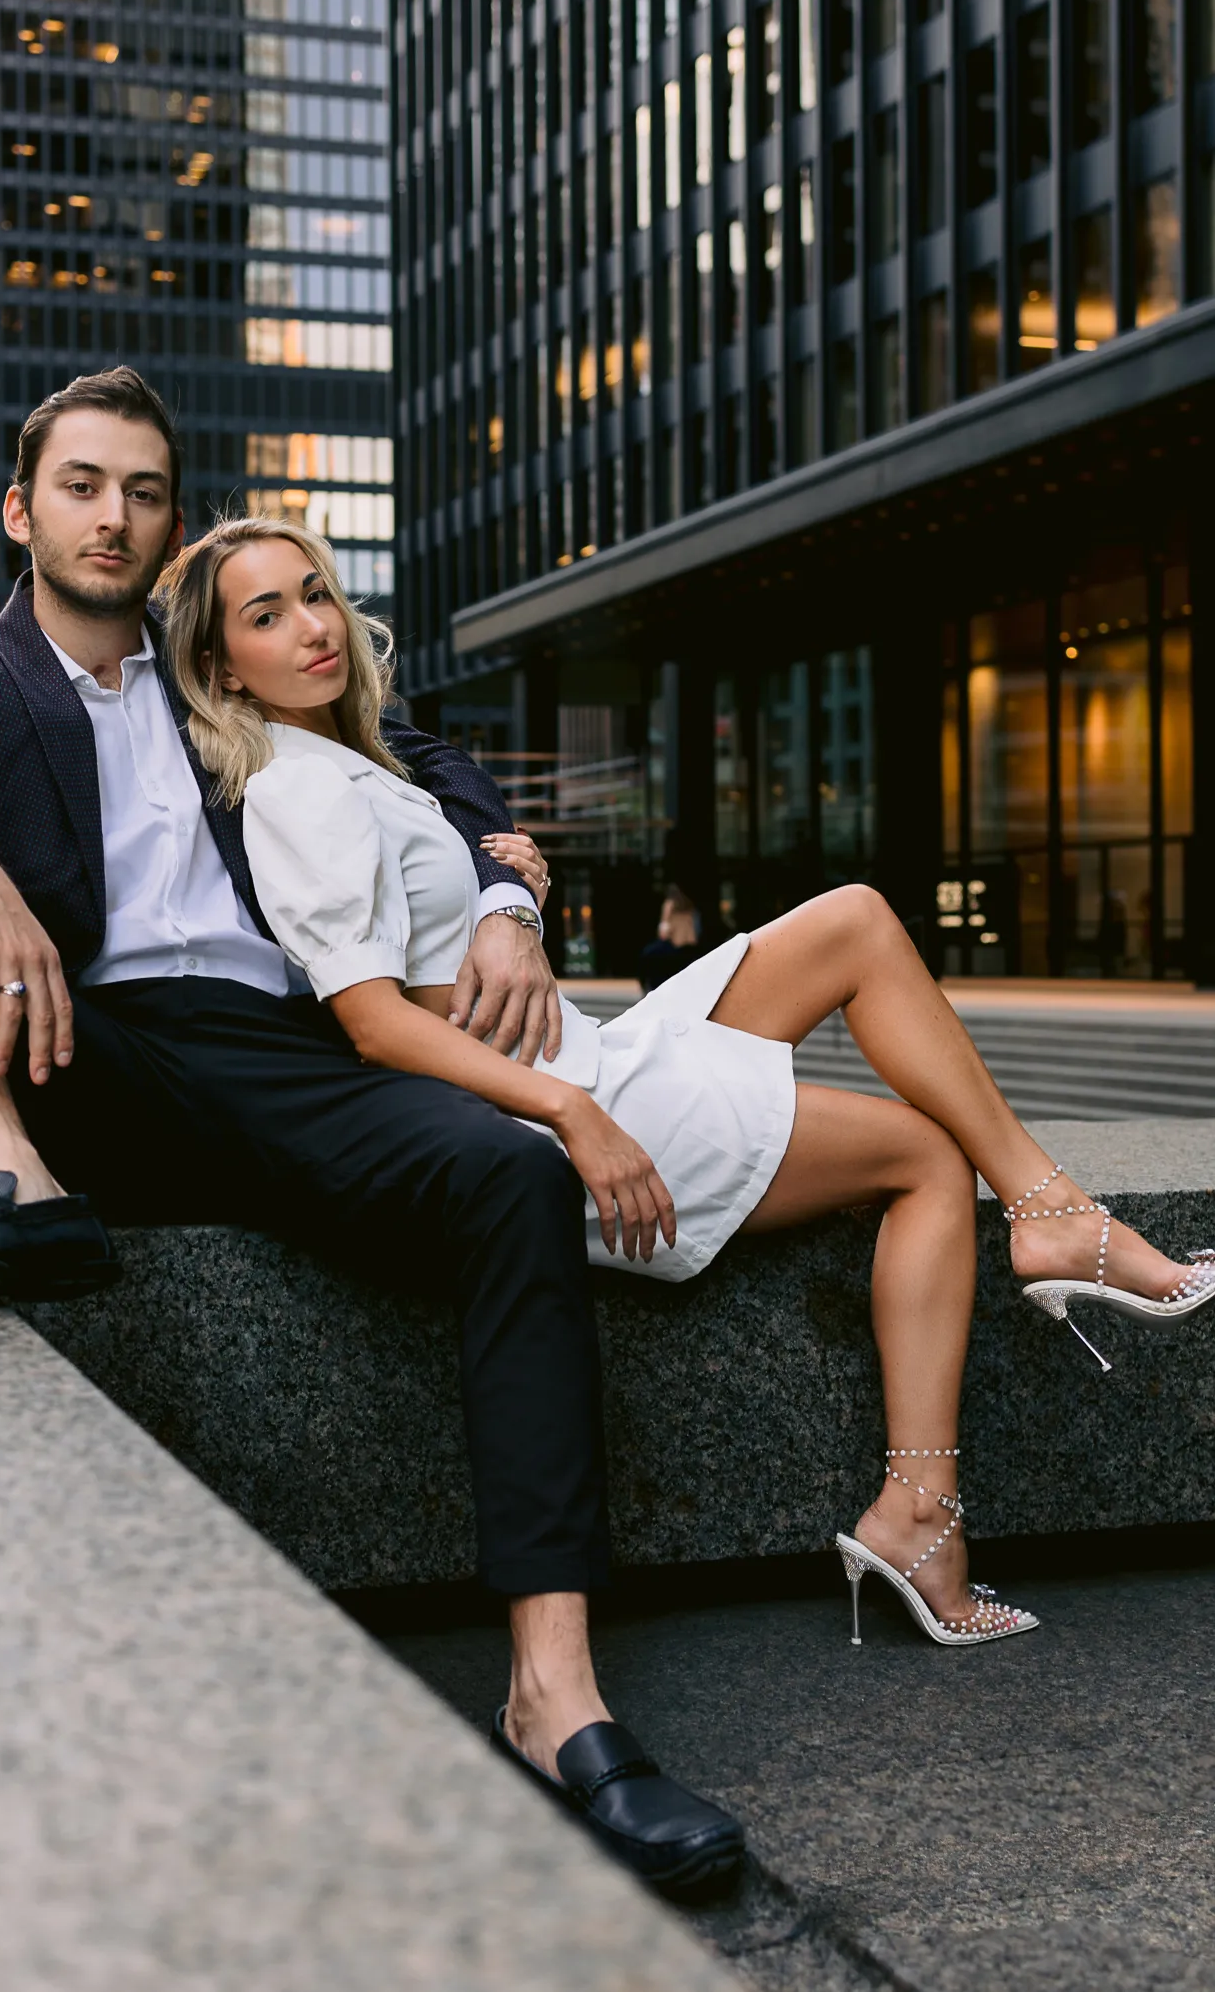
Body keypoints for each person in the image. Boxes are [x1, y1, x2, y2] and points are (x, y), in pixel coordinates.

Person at [0, 368, 745, 1896]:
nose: (111, 513)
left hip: (286, 1048)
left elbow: (433, 763)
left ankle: (554, 1695)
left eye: (141, 490)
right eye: (80, 484)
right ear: (25, 509)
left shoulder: (215, 679)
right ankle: (17, 1178)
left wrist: (514, 900)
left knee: (512, 1174)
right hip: (85, 1048)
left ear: (169, 523)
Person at [157, 512, 1215, 1669]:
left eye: (315, 594)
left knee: (856, 919)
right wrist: (568, 1111)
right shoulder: (292, 791)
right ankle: (921, 1514)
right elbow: (370, 1023)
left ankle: (1051, 1211)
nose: (312, 627)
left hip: (595, 1051)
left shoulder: (354, 758)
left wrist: (506, 901)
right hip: (568, 1099)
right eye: (267, 616)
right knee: (922, 1157)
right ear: (220, 669)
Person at [638, 884, 706, 992]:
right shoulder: (690, 907)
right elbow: (697, 930)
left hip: (674, 946)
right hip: (690, 947)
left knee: (649, 956)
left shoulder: (669, 905)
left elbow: (664, 931)